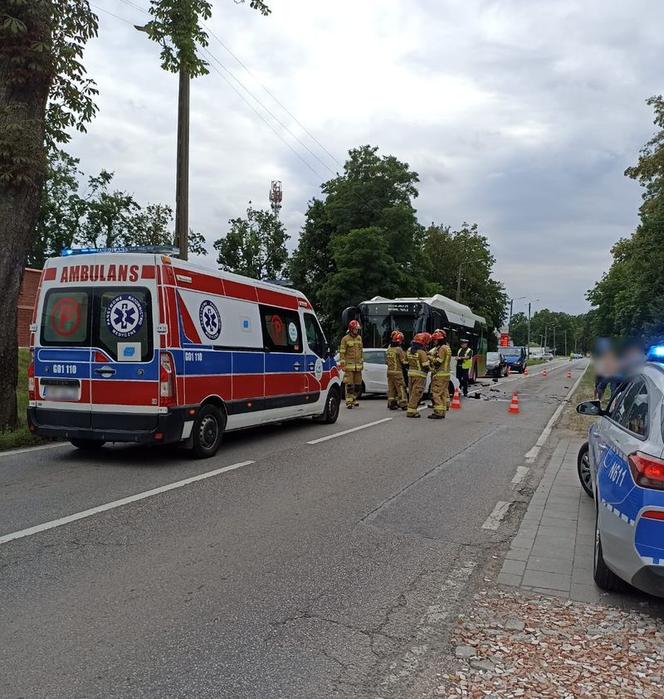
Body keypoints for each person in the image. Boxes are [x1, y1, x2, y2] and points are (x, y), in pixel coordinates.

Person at [406, 332, 431, 418]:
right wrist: (432, 368)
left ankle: (410, 408)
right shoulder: (422, 352)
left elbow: (405, 362)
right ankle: (411, 411)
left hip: (410, 374)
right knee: (417, 393)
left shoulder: (409, 350)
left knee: (411, 392)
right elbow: (425, 365)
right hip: (420, 375)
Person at [339, 319, 363, 408]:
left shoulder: (359, 338)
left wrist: (362, 363)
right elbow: (342, 352)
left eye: (357, 329)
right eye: (355, 329)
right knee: (349, 385)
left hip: (358, 367)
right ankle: (349, 402)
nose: (357, 331)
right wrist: (343, 364)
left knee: (358, 386)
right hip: (349, 366)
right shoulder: (345, 339)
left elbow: (361, 351)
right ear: (351, 329)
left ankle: (354, 398)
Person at [428, 329, 451, 419]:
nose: (434, 341)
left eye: (435, 340)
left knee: (436, 393)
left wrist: (430, 357)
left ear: (439, 340)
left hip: (440, 374)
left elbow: (438, 362)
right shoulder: (447, 347)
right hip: (446, 374)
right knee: (443, 394)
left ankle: (438, 412)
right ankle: (442, 411)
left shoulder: (442, 348)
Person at [386, 330, 408, 410]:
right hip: (397, 372)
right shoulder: (399, 349)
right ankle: (403, 403)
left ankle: (392, 403)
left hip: (389, 372)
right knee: (401, 387)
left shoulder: (389, 349)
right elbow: (404, 361)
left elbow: (386, 361)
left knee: (391, 388)